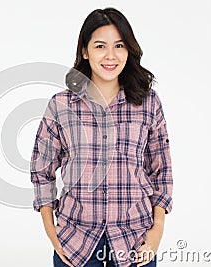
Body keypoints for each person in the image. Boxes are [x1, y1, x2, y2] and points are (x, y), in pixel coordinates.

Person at [30, 7, 173, 267]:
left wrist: (157, 231)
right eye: (99, 46)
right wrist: (52, 232)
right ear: (85, 51)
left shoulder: (148, 103)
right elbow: (42, 170)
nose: (110, 55)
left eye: (119, 45)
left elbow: (161, 170)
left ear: (129, 50)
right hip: (75, 242)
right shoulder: (62, 105)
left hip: (135, 241)